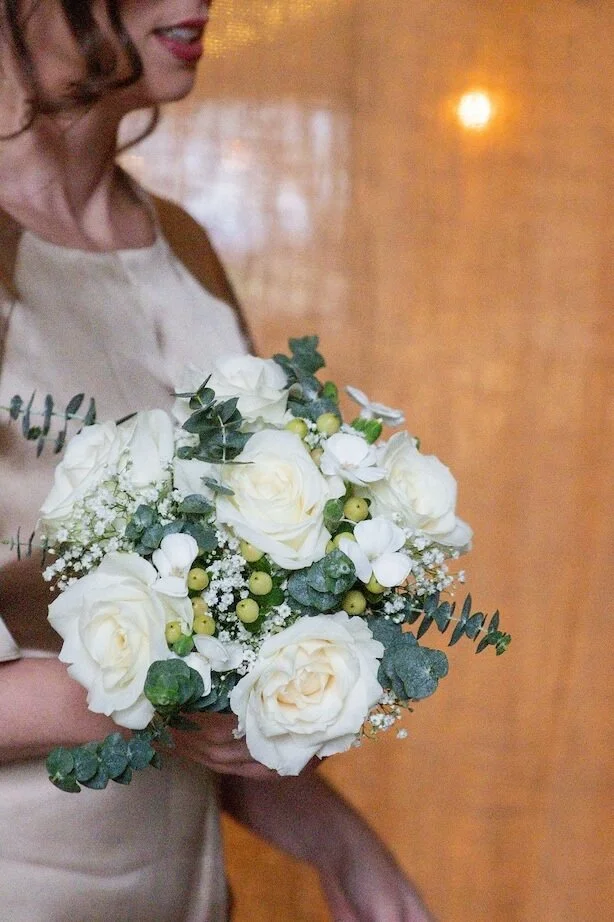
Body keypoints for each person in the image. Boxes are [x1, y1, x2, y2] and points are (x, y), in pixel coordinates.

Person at [0, 3, 434, 920]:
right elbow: (169, 699)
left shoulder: (181, 248)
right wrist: (143, 694)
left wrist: (341, 843)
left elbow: (204, 670)